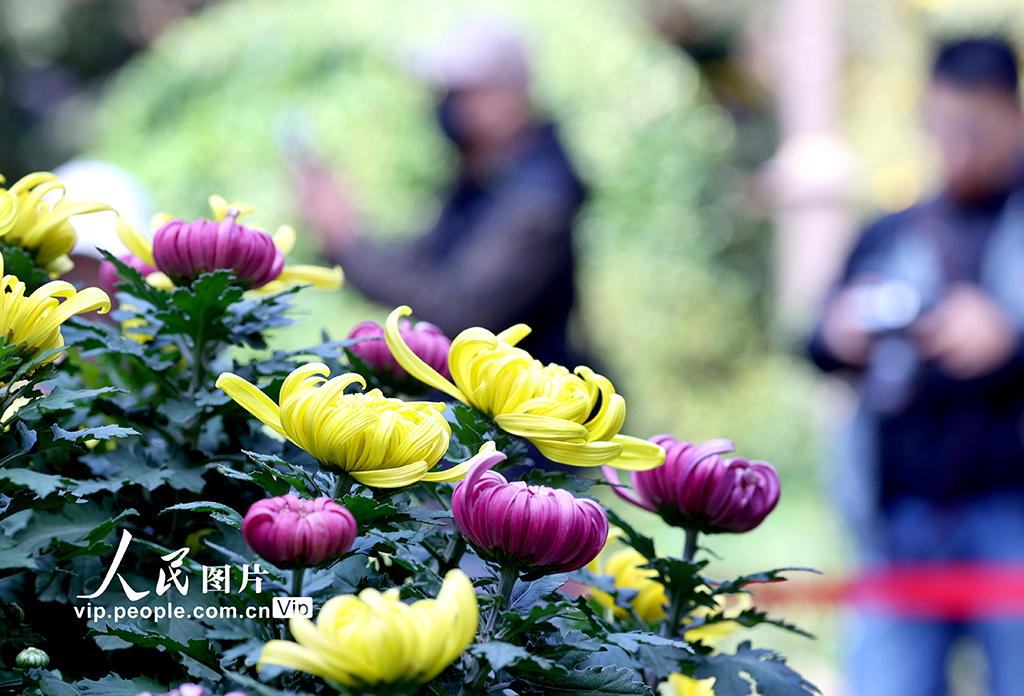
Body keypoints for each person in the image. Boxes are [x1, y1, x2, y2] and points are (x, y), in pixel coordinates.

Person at [809, 38, 1024, 696]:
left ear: (1012, 114)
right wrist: (841, 333)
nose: (954, 147)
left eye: (974, 129)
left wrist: (1011, 343)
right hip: (902, 521)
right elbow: (815, 343)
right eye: (940, 128)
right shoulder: (893, 232)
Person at [296, 17, 587, 368]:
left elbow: (462, 310)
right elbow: (424, 261)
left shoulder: (541, 196)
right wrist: (346, 228)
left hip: (521, 412)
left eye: (461, 94)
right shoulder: (484, 179)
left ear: (509, 95)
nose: (447, 110)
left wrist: (347, 243)